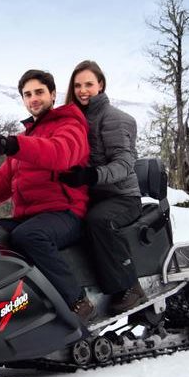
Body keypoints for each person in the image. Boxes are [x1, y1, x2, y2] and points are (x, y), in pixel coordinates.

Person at [0, 69, 95, 322]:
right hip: (29, 215)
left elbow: (59, 153)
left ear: (53, 94)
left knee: (29, 235)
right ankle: (8, 308)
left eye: (39, 92)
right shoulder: (26, 137)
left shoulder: (70, 124)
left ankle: (77, 301)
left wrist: (12, 145)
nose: (33, 98)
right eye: (27, 94)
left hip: (65, 213)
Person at [58, 60, 147, 314]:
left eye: (88, 84)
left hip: (122, 197)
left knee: (98, 221)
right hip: (93, 195)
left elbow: (124, 164)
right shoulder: (74, 118)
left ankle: (130, 286)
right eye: (77, 86)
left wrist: (91, 176)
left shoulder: (115, 119)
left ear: (101, 85)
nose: (83, 90)